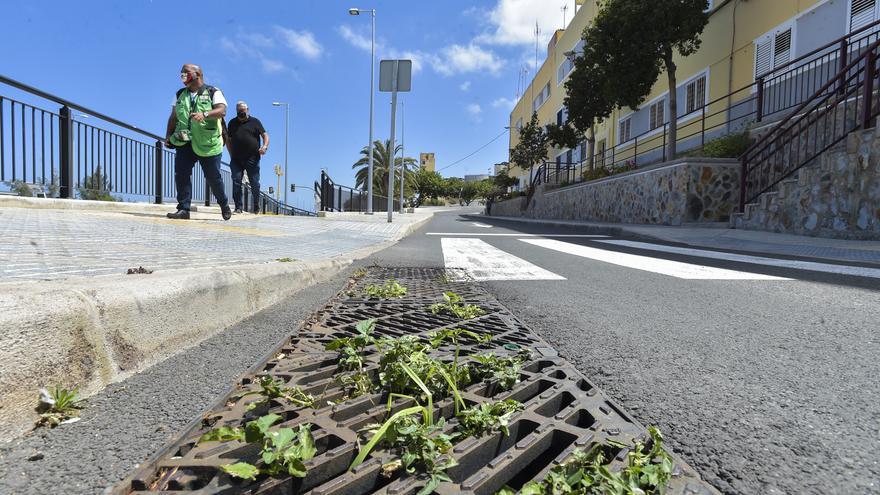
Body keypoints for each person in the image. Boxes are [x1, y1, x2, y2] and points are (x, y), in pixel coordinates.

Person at [164, 63, 232, 221]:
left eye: (185, 72)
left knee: (213, 178)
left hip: (207, 143)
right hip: (184, 141)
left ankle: (224, 205)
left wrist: (205, 114)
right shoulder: (180, 94)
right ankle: (183, 209)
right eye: (181, 72)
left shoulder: (213, 91)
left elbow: (222, 110)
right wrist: (168, 135)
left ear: (198, 74)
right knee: (181, 174)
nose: (182, 75)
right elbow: (174, 116)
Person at [227, 101, 269, 213]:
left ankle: (256, 204)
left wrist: (264, 147)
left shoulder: (255, 122)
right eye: (239, 111)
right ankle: (238, 207)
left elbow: (265, 135)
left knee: (254, 183)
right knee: (236, 181)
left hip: (252, 159)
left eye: (243, 111)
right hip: (236, 159)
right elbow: (228, 140)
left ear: (247, 110)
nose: (241, 113)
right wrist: (231, 154)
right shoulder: (232, 123)